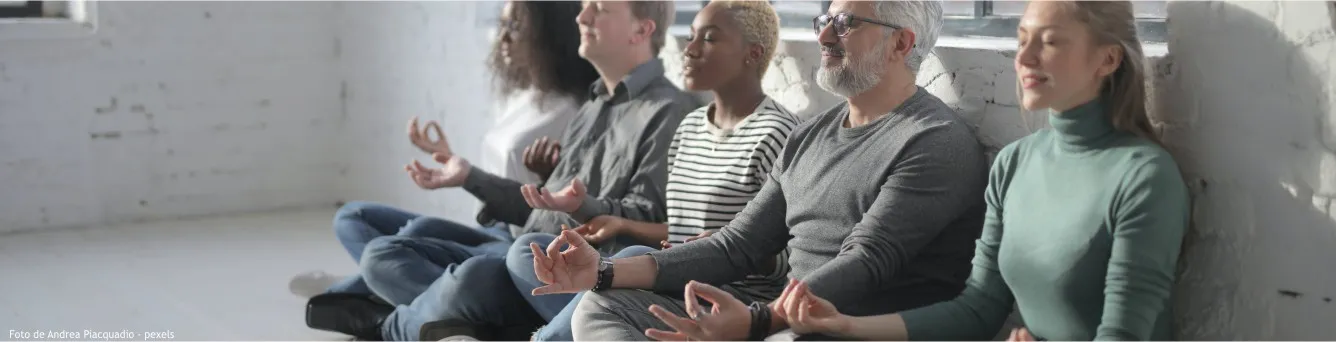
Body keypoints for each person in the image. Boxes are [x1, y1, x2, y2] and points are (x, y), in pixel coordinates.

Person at [530, 0, 992, 340]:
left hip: (842, 329)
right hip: (775, 318)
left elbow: (866, 261)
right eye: (825, 20)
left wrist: (758, 320)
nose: (825, 36)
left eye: (846, 24)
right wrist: (603, 271)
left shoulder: (934, 142)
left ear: (901, 43)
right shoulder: (809, 135)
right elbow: (738, 245)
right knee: (599, 308)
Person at [774, 1, 1190, 341]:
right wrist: (844, 325)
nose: (1024, 58)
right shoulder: (1015, 162)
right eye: (1022, 39)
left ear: (1108, 58)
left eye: (1050, 42)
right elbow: (978, 310)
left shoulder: (1144, 176)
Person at [304, 0, 700, 340]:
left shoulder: (668, 112)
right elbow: (540, 209)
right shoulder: (593, 106)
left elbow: (646, 221)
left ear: (641, 29)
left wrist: (582, 205)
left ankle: (390, 324)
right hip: (528, 246)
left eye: (600, 8)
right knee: (382, 253)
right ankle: (448, 317)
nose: (582, 17)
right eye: (584, 7)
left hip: (563, 268)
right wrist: (474, 177)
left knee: (471, 277)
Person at [508, 1, 799, 340]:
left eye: (709, 39)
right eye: (691, 36)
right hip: (679, 272)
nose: (688, 50)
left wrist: (726, 248)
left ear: (752, 54)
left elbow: (790, 249)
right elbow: (679, 228)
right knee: (529, 250)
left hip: (730, 294)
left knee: (624, 264)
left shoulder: (776, 134)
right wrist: (621, 223)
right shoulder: (691, 127)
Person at [287, 0, 599, 301]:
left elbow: (562, 210)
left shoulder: (573, 112)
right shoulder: (524, 96)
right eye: (502, 23)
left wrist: (547, 179)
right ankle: (383, 284)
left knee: (414, 234)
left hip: (522, 244)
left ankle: (356, 289)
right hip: (495, 227)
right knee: (352, 216)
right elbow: (501, 184)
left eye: (516, 26)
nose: (503, 37)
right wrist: (456, 166)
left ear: (549, 35)